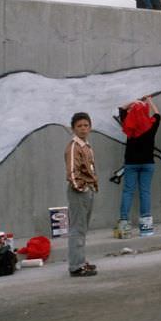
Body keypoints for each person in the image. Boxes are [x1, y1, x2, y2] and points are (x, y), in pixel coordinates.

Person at [117, 96, 161, 237]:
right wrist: (148, 100)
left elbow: (122, 109)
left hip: (131, 163)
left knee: (128, 192)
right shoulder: (151, 124)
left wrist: (134, 102)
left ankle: (124, 224)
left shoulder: (129, 124)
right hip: (148, 163)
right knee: (145, 192)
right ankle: (146, 228)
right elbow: (158, 114)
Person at [64, 112, 99, 277]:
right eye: (79, 126)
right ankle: (76, 266)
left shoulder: (86, 145)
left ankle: (80, 260)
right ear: (73, 129)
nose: (83, 129)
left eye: (86, 125)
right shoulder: (73, 147)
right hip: (79, 191)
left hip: (88, 189)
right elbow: (72, 172)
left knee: (82, 229)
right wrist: (81, 188)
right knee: (77, 229)